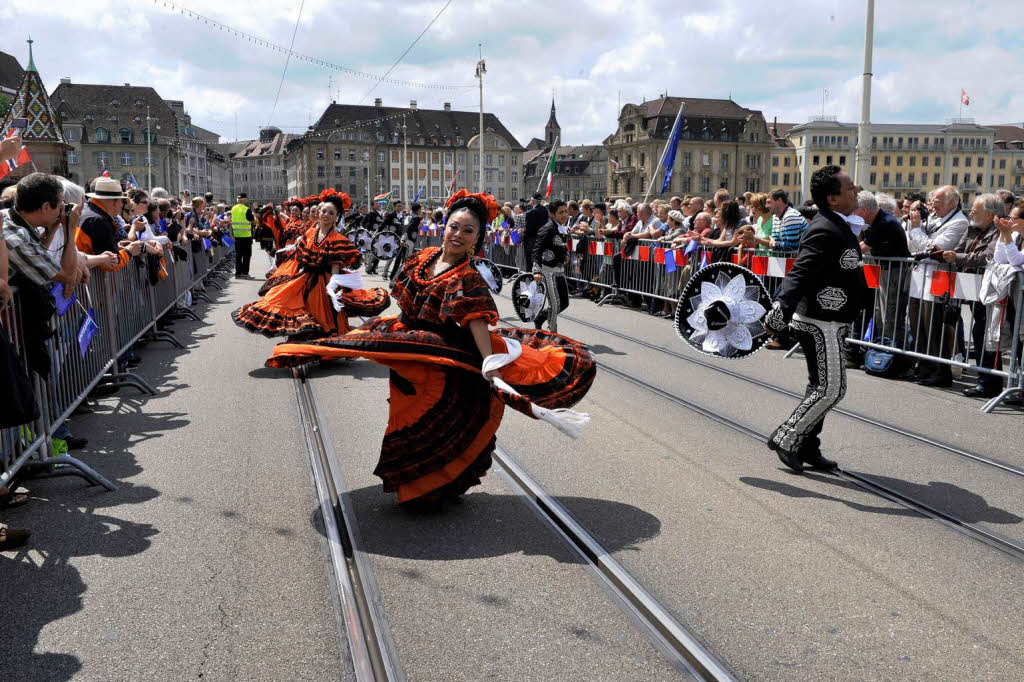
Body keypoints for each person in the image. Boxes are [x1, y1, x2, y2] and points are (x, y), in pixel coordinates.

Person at [264, 190, 595, 508]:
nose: (458, 234)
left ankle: (429, 489)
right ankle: (414, 483)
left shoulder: (469, 277)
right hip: (411, 354)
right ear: (444, 227)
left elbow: (477, 323)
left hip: (443, 361)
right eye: (454, 226)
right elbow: (404, 303)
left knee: (433, 421)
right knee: (402, 414)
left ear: (477, 239)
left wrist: (490, 364)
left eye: (468, 230)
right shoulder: (423, 258)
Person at [764, 165, 869, 473]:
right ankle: (787, 437)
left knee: (818, 386)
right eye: (850, 188)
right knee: (831, 389)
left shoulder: (838, 223)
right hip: (821, 320)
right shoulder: (825, 227)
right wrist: (781, 309)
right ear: (833, 198)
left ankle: (809, 445)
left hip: (831, 318)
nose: (856, 190)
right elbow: (801, 271)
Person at [233, 190, 390, 339]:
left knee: (322, 315)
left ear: (336, 218)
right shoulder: (310, 233)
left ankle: (324, 345)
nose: (326, 215)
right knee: (280, 299)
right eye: (324, 211)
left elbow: (335, 266)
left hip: (325, 282)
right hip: (305, 277)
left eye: (331, 213)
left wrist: (332, 287)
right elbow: (300, 258)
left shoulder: (337, 238)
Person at [940, 194, 1002, 397]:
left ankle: (989, 383)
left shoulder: (999, 231)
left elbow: (987, 257)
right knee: (980, 333)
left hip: (992, 290)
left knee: (984, 334)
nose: (971, 213)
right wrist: (953, 255)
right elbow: (959, 249)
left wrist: (957, 257)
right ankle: (986, 380)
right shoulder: (972, 228)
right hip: (972, 288)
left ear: (990, 214)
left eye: (976, 210)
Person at [856, 191, 911, 348]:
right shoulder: (878, 221)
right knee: (882, 314)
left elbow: (863, 248)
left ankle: (893, 353)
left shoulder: (884, 222)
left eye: (856, 210)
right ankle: (883, 350)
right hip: (887, 270)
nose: (853, 212)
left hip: (894, 272)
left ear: (865, 210)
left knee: (890, 315)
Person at [532, 199, 570, 332]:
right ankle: (552, 333)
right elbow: (536, 250)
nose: (565, 215)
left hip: (560, 270)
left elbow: (561, 245)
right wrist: (536, 270)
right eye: (561, 212)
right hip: (547, 271)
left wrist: (565, 255)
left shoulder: (563, 227)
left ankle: (541, 317)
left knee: (564, 303)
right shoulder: (547, 229)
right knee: (554, 304)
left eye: (566, 211)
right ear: (552, 214)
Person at [230, 193, 257, 279]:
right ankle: (245, 273)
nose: (247, 200)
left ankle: (238, 273)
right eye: (246, 198)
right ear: (244, 199)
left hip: (236, 235)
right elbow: (253, 222)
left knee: (238, 255)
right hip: (246, 235)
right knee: (247, 255)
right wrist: (255, 219)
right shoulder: (246, 209)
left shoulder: (233, 208)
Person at [523, 191, 548, 270]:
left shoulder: (530, 212)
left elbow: (528, 229)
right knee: (539, 261)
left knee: (530, 263)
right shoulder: (544, 210)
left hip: (531, 240)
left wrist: (523, 232)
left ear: (533, 201)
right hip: (541, 239)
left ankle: (531, 279)